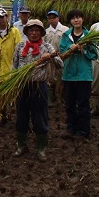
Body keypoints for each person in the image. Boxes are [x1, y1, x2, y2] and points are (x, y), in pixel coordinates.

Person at [12, 20, 63, 161]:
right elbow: (14, 66)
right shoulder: (20, 46)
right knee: (21, 117)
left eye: (37, 30)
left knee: (40, 117)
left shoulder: (47, 47)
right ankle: (21, 145)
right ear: (27, 32)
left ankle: (41, 149)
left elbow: (60, 64)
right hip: (22, 87)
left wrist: (51, 57)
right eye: (31, 30)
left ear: (41, 32)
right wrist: (13, 83)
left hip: (39, 87)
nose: (33, 33)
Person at [59, 9, 98, 139]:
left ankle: (84, 130)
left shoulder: (89, 36)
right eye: (73, 18)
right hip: (68, 74)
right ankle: (71, 127)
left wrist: (84, 51)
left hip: (84, 76)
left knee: (83, 104)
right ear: (70, 21)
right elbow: (61, 53)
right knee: (69, 103)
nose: (76, 20)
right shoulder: (66, 36)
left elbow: (94, 54)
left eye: (78, 17)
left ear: (83, 19)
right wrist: (69, 50)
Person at [0, 7, 22, 125]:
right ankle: (0, 115)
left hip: (10, 70)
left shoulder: (14, 32)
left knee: (11, 95)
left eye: (2, 17)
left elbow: (20, 48)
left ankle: (11, 114)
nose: (1, 20)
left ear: (7, 17)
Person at [44, 10, 70, 106]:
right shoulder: (46, 32)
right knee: (51, 78)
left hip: (63, 57)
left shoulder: (65, 30)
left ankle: (63, 99)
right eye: (50, 18)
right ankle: (51, 99)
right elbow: (44, 45)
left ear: (58, 18)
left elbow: (69, 44)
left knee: (62, 78)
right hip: (51, 59)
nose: (52, 20)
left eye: (54, 18)